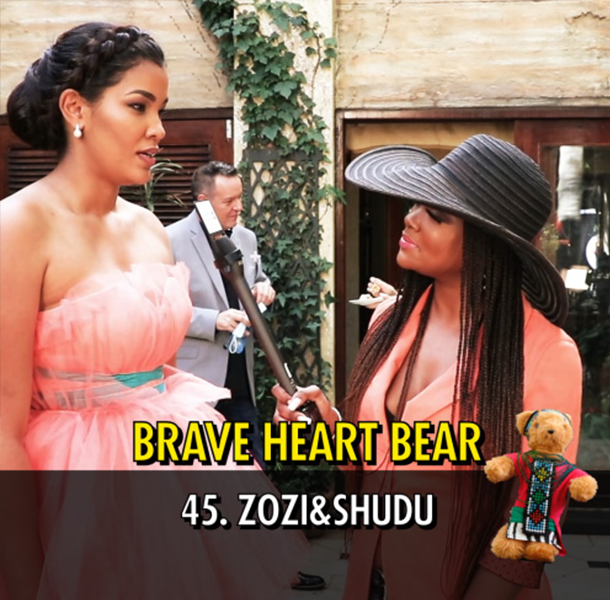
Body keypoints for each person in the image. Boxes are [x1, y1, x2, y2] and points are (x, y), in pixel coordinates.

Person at [0, 22, 309, 599]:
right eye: (139, 106)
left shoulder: (147, 227)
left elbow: (156, 368)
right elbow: (2, 427)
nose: (159, 129)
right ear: (76, 109)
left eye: (161, 110)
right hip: (75, 490)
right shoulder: (17, 227)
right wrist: (21, 577)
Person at [274, 135, 583, 599]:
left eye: (436, 215)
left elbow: (536, 517)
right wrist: (322, 426)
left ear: (488, 243)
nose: (410, 218)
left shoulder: (547, 352)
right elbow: (376, 459)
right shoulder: (389, 321)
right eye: (417, 202)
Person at [166, 162, 273, 467]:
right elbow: (160, 311)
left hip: (241, 384)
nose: (239, 207)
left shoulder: (247, 237)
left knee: (253, 475)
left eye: (240, 197)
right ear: (203, 202)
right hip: (193, 385)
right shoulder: (168, 240)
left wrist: (264, 288)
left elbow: (258, 278)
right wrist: (213, 320)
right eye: (229, 201)